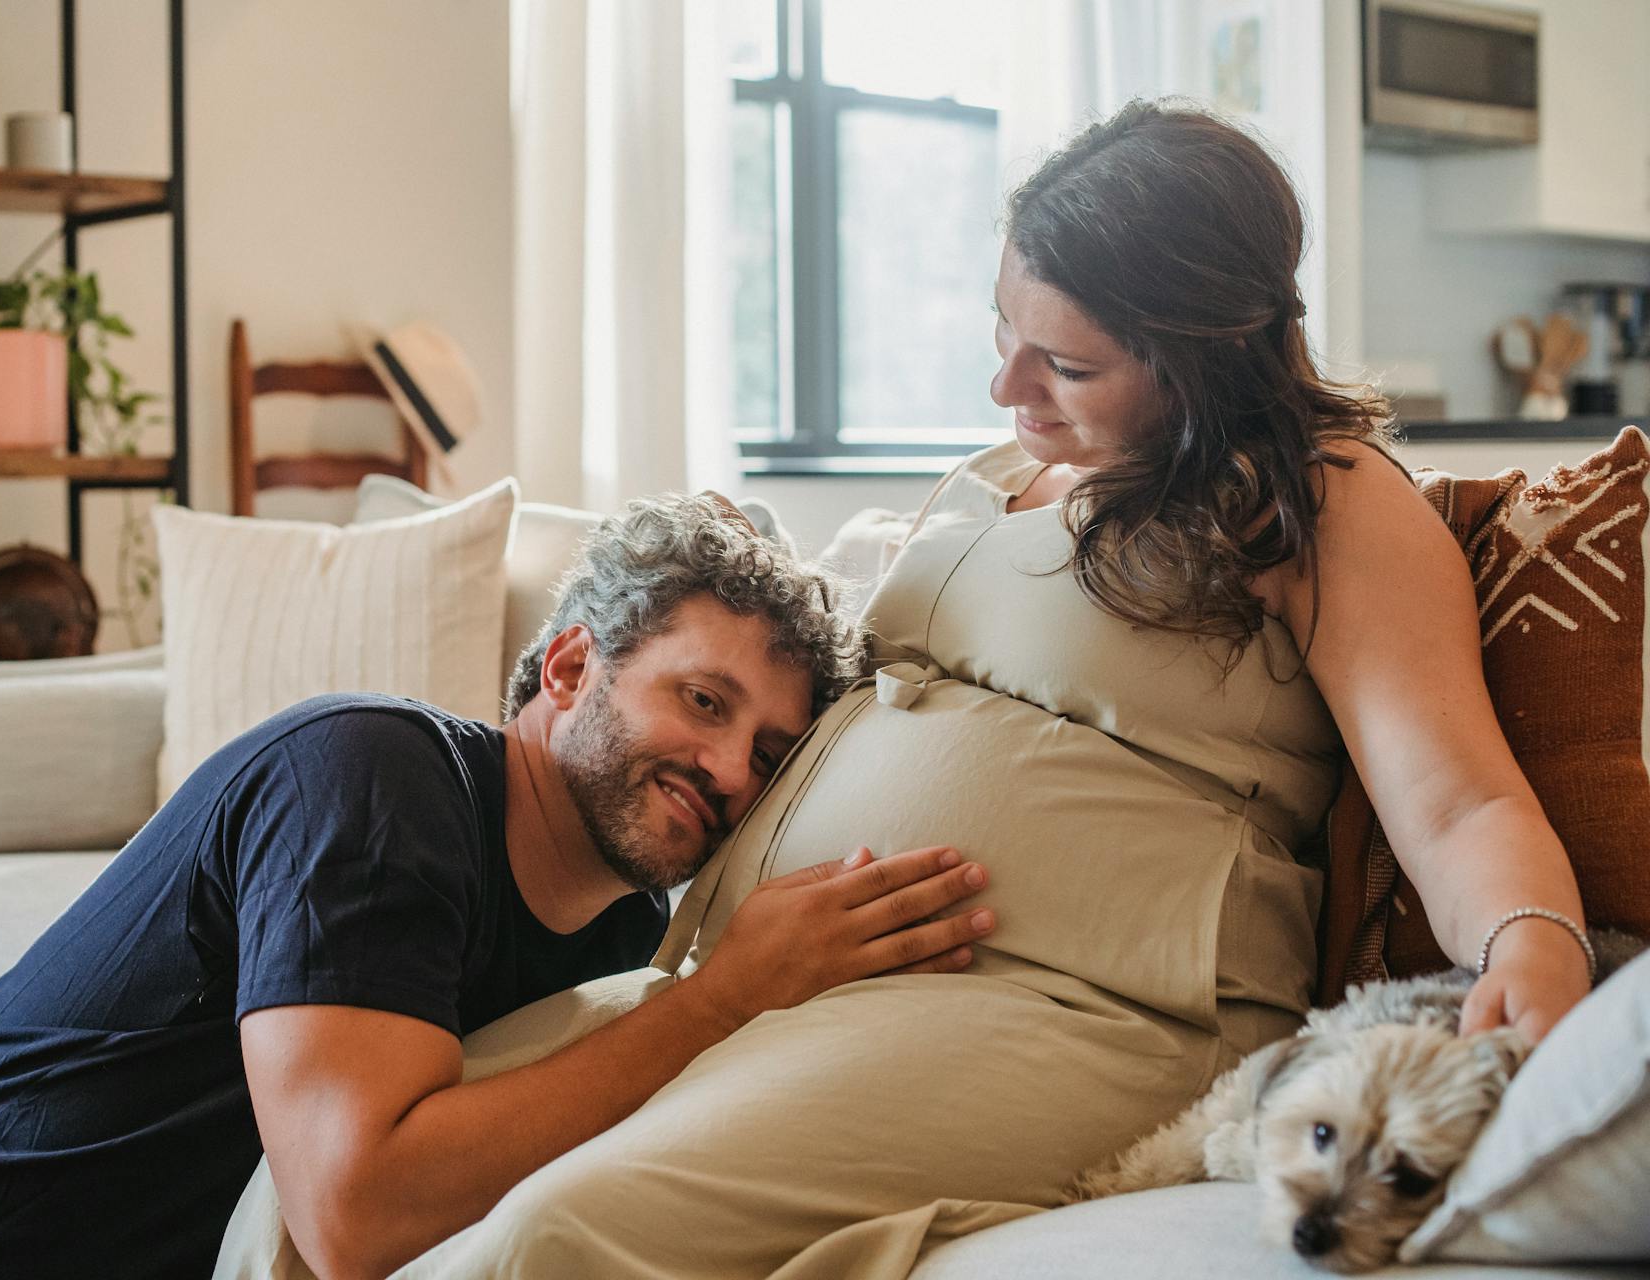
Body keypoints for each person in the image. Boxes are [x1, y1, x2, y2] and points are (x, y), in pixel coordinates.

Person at [381, 100, 1596, 1279]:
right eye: (1002, 332)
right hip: (771, 977)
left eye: (1065, 362)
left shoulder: (1314, 497)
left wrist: (1534, 946)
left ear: (1201, 353)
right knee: (348, 1183)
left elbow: (1456, 802)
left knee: (555, 1237)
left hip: (1073, 1006)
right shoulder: (1000, 471)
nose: (1008, 390)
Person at [0, 493, 997, 1280]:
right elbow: (355, 1213)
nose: (728, 770)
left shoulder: (626, 934)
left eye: (769, 755)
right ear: (567, 668)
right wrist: (720, 998)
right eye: (701, 700)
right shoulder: (373, 778)